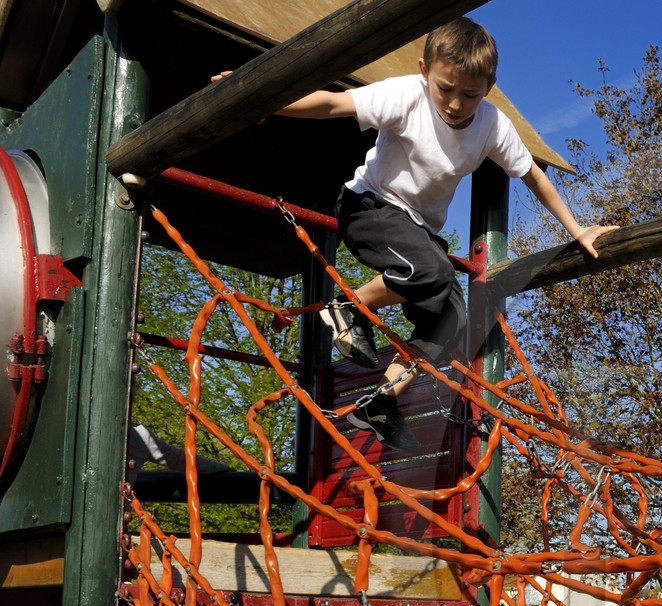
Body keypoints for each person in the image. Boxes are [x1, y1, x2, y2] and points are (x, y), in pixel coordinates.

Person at [221, 18, 616, 450]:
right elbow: (334, 105)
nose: (455, 104)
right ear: (425, 70)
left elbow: (534, 177)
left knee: (454, 319)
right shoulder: (406, 95)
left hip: (419, 230)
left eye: (470, 94)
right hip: (369, 206)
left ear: (488, 86)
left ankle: (381, 402)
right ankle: (345, 308)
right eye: (445, 89)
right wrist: (264, 101)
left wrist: (577, 229)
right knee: (433, 273)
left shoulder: (492, 125)